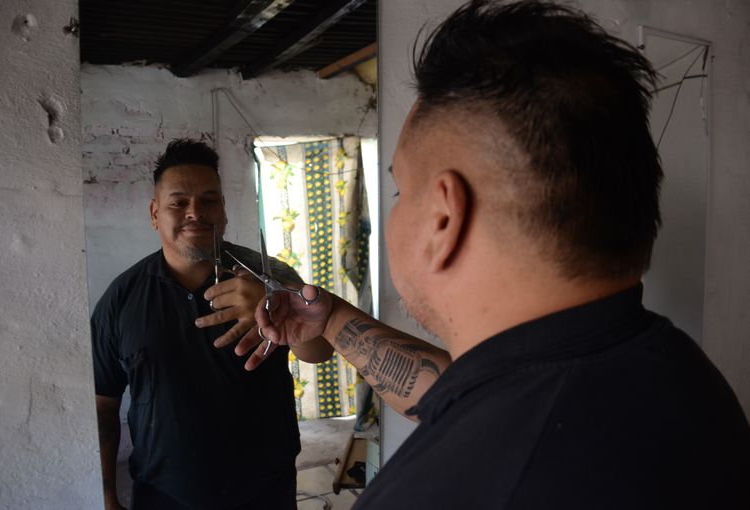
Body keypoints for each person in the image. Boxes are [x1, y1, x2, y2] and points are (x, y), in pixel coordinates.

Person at [199, 1, 750, 508]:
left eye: (400, 192)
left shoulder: (448, 487)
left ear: (443, 217)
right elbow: (459, 391)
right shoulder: (675, 375)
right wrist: (335, 320)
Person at [91, 139, 332, 510]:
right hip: (163, 494)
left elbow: (319, 351)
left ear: (224, 209)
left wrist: (277, 311)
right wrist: (107, 496)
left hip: (263, 490)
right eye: (178, 203)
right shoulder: (122, 298)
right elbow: (104, 403)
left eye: (209, 200)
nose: (195, 213)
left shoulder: (270, 276)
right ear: (155, 213)